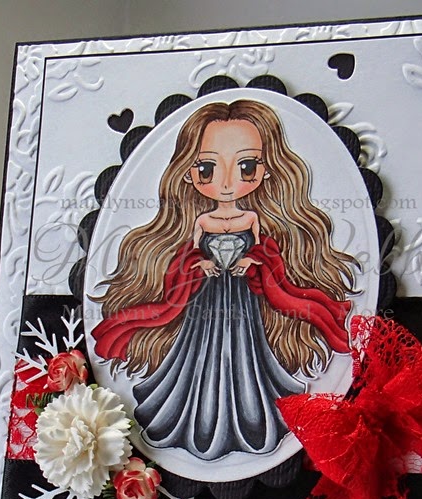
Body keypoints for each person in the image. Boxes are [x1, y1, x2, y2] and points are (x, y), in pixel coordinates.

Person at [92, 99, 358, 461]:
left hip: (244, 298)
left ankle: (253, 413)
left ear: (267, 171)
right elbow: (190, 253)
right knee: (198, 351)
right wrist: (200, 265)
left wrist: (252, 260)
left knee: (246, 352)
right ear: (189, 173)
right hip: (206, 297)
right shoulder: (202, 221)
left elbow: (264, 250)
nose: (228, 182)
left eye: (246, 167)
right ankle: (188, 414)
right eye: (207, 168)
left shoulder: (251, 218)